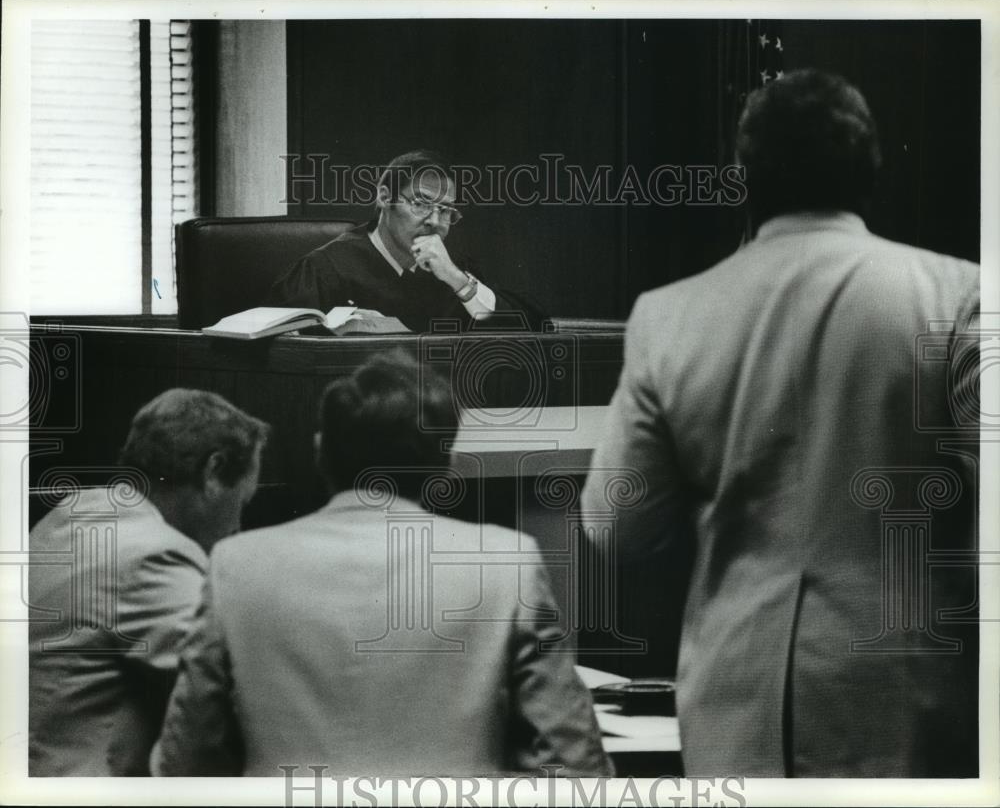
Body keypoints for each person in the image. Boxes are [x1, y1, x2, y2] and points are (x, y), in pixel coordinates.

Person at [582, 69, 980, 777]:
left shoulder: (667, 314)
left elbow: (618, 526)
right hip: (912, 691)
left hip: (737, 696)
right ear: (872, 171)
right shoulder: (962, 296)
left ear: (744, 177)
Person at [152, 350, 612, 777]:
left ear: (320, 453)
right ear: (445, 464)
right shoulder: (507, 562)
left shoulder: (236, 566)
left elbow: (185, 762)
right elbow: (574, 763)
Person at [28, 389, 268, 776]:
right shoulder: (153, 554)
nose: (238, 526)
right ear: (212, 471)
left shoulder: (71, 514)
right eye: (241, 502)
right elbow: (230, 685)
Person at [267, 149, 544, 332]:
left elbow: (525, 328)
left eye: (446, 211)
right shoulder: (325, 269)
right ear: (385, 198)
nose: (435, 222)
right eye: (421, 204)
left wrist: (458, 280)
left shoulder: (454, 270)